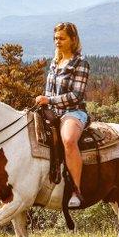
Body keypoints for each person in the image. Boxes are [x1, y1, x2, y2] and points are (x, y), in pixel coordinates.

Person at [35, 22, 90, 212]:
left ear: (73, 39)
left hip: (73, 112)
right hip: (52, 111)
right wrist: (43, 103)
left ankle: (76, 190)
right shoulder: (55, 61)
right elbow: (48, 90)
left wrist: (49, 100)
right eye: (55, 38)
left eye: (62, 38)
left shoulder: (80, 63)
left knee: (68, 140)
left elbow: (77, 95)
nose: (57, 41)